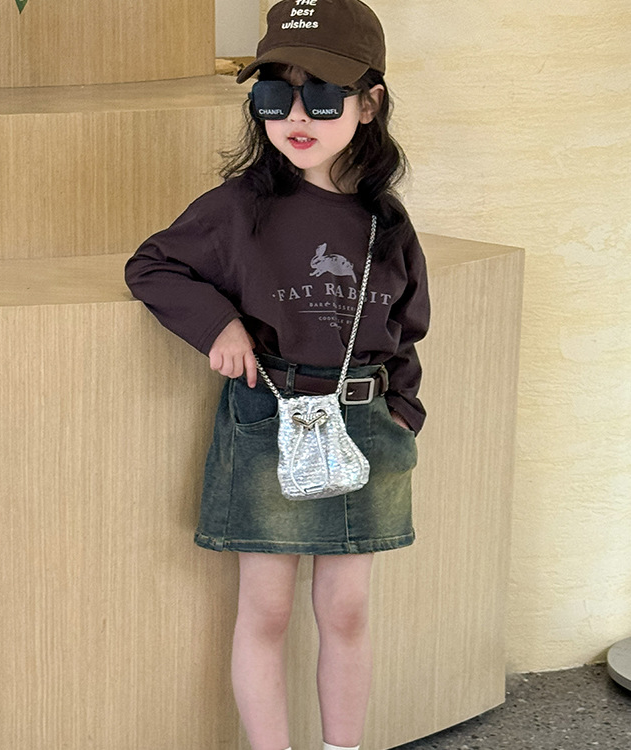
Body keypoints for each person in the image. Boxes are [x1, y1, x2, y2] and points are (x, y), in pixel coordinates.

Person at [125, 2, 430, 748]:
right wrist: (219, 325)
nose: (296, 114)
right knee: (266, 611)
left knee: (347, 610)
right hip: (272, 419)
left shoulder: (385, 220)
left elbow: (408, 325)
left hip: (367, 425)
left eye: (322, 95)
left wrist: (403, 412)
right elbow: (153, 265)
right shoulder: (238, 209)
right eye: (273, 94)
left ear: (368, 104)